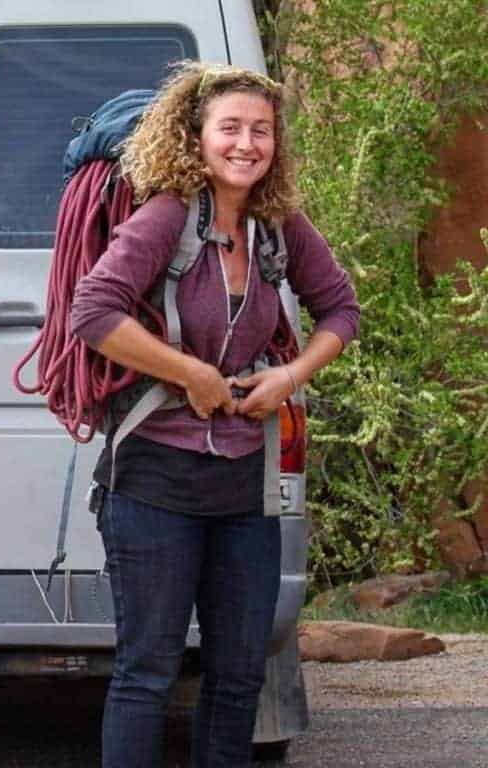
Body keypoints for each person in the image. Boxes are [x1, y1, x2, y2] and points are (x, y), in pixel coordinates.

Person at [69, 62, 360, 768]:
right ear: (196, 137)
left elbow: (341, 310)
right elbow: (92, 311)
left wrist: (289, 376)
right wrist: (191, 374)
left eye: (261, 131)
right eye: (229, 127)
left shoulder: (278, 225)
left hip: (243, 484)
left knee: (237, 678)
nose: (246, 144)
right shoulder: (167, 215)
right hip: (155, 482)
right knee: (148, 673)